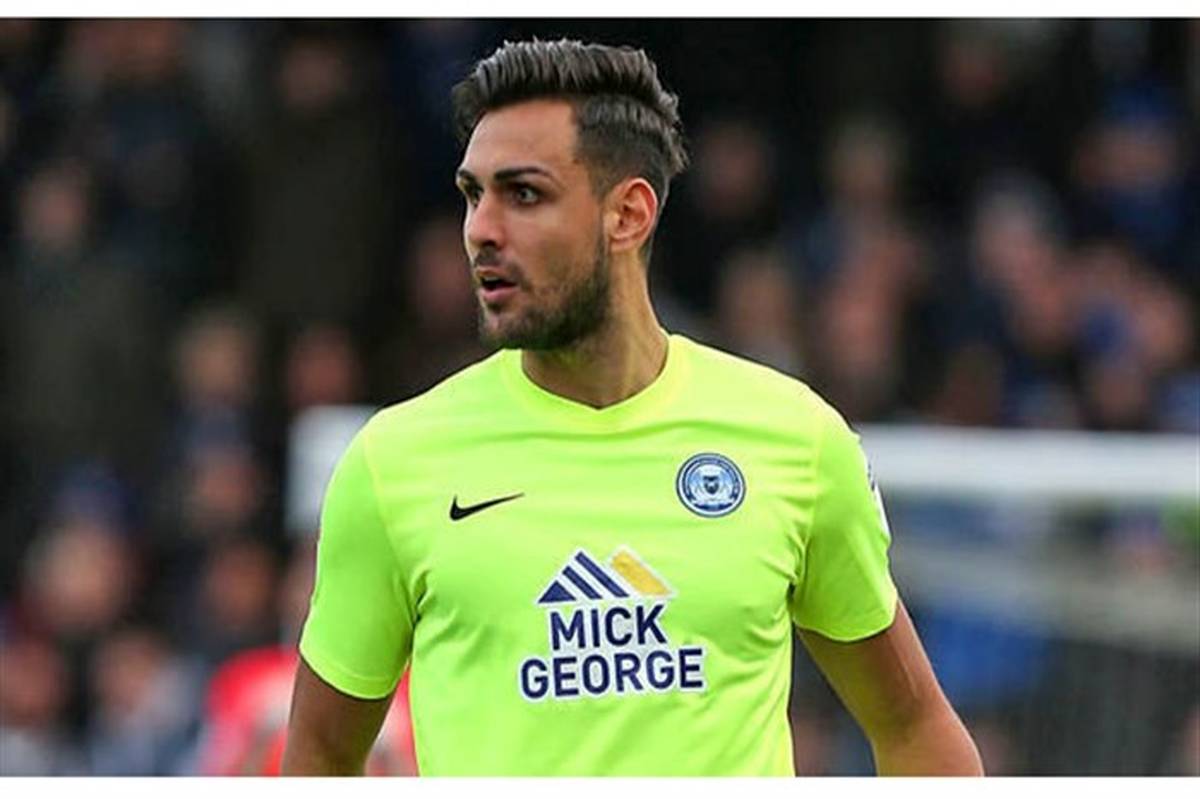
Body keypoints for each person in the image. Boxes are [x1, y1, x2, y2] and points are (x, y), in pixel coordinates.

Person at [282, 38, 982, 777]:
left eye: (524, 194)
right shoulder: (395, 464)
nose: (481, 228)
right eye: (472, 194)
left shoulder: (794, 441)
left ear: (628, 214)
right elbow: (320, 755)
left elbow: (913, 724)